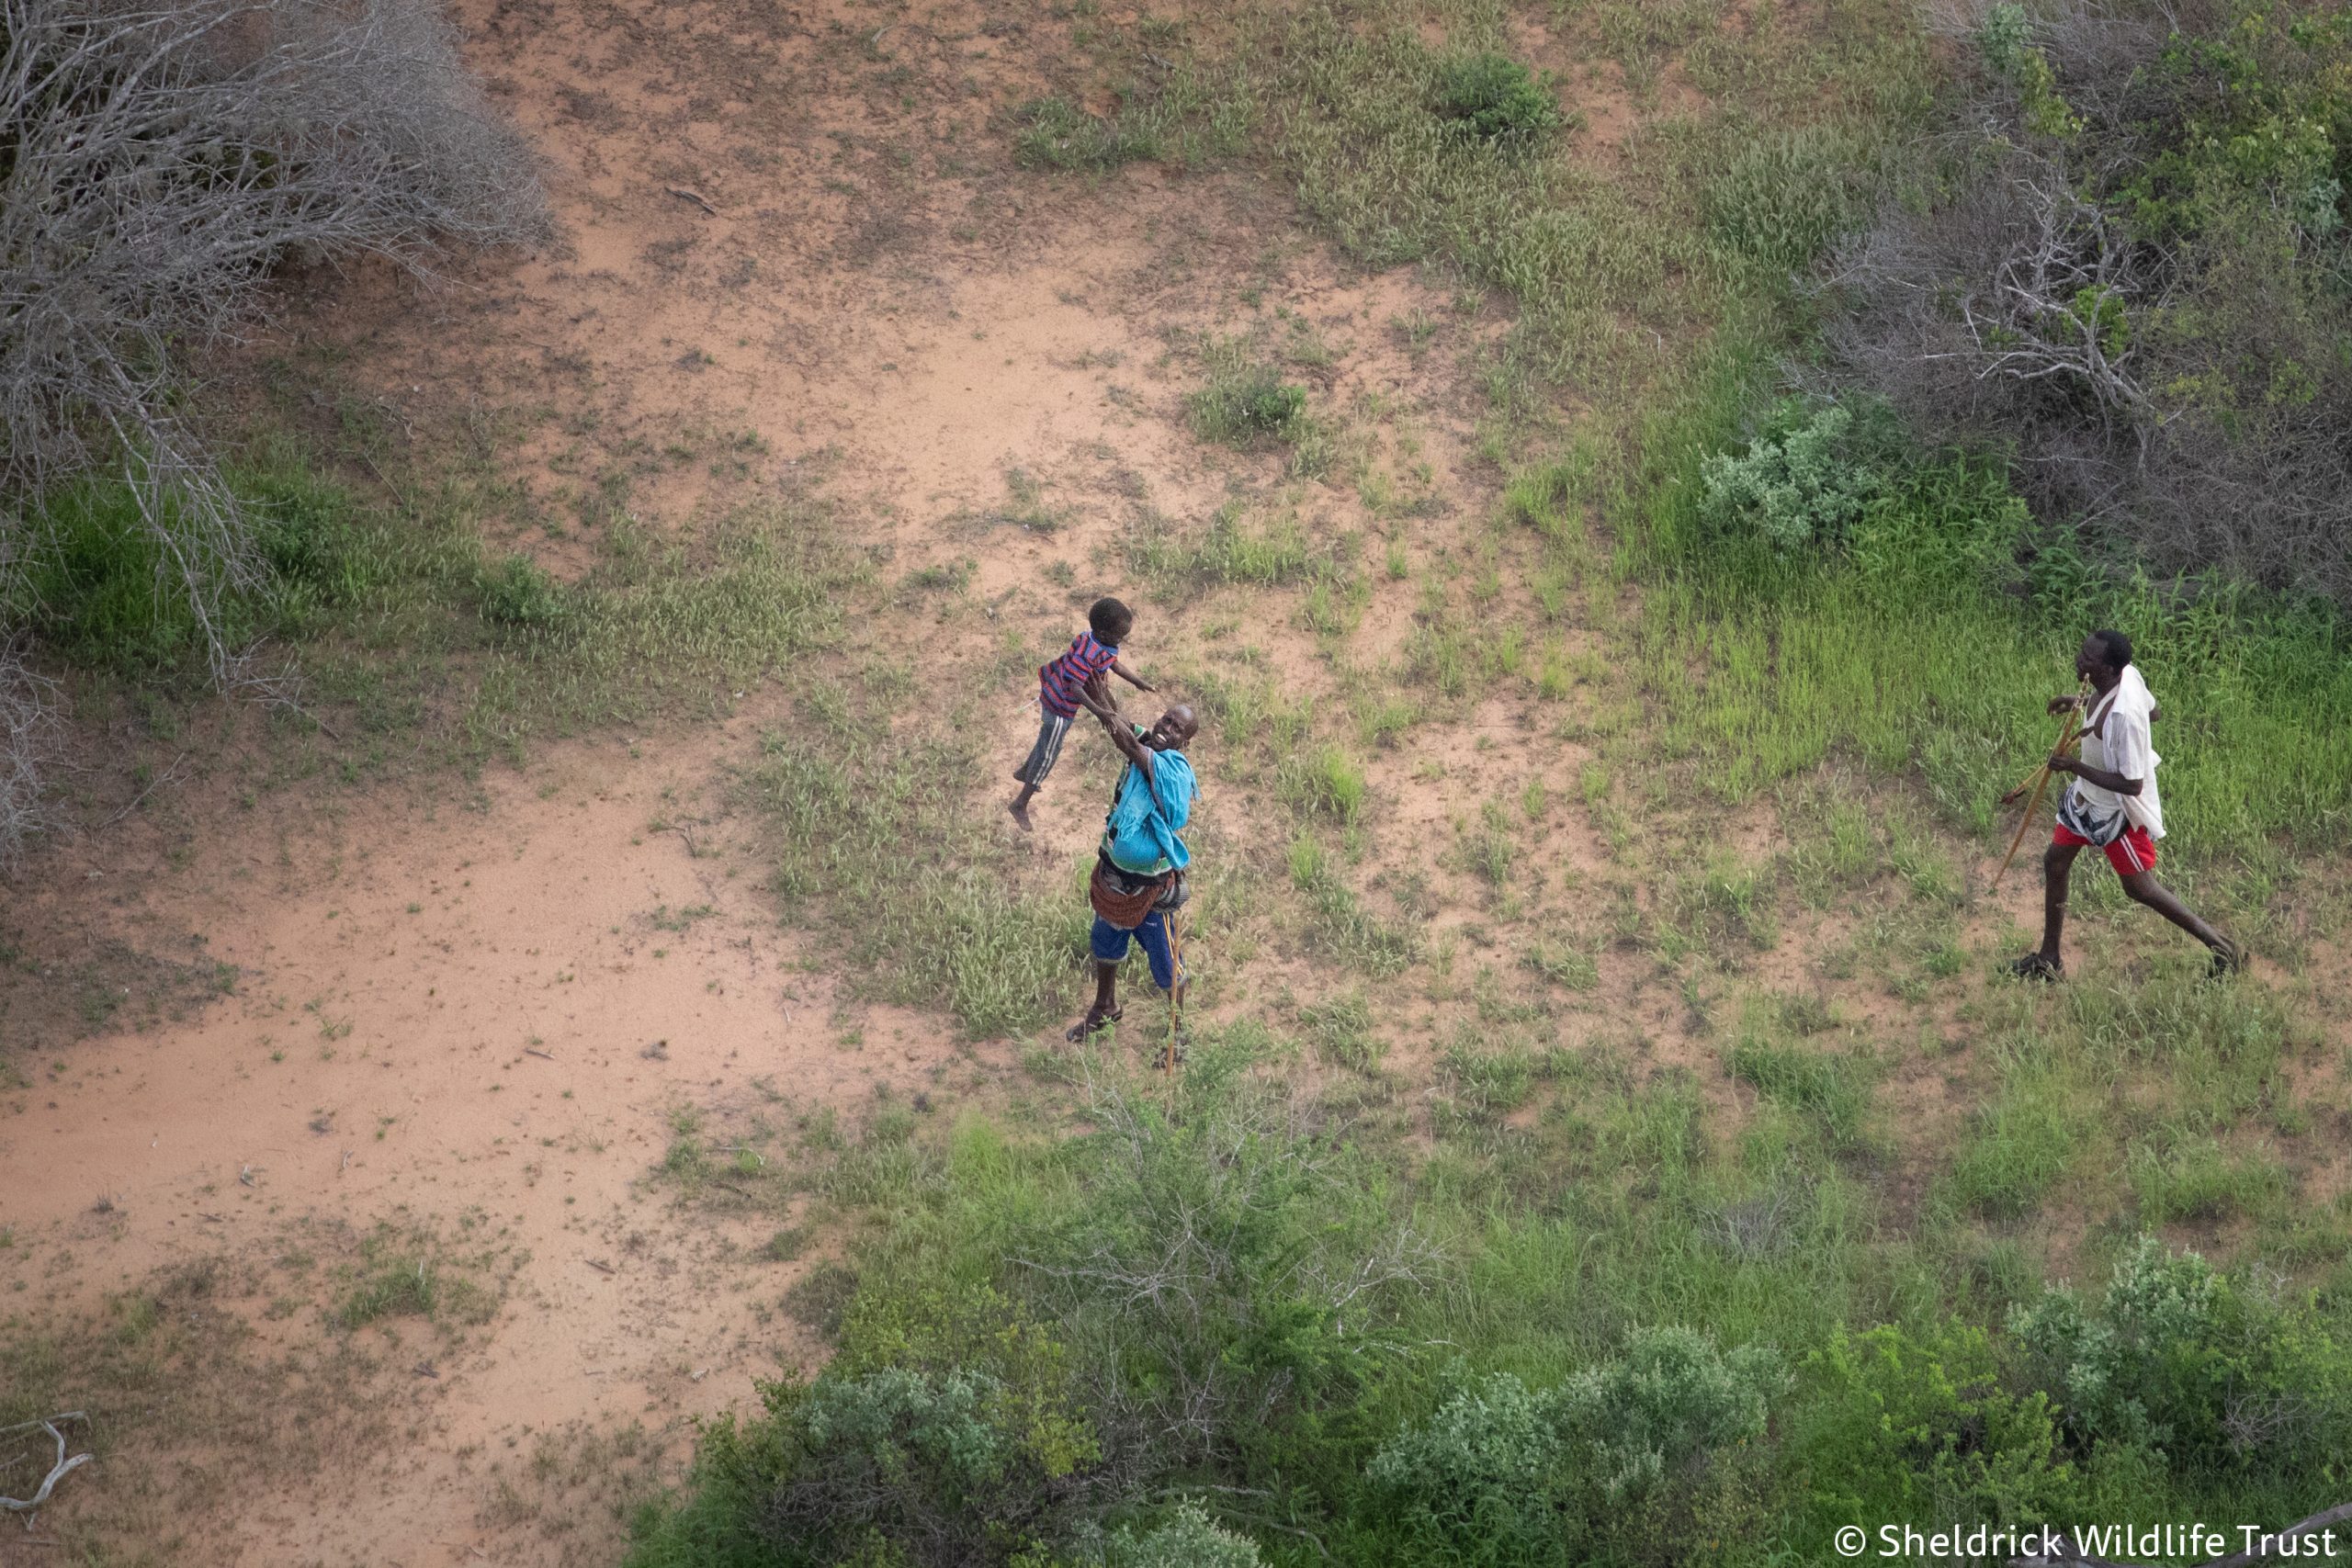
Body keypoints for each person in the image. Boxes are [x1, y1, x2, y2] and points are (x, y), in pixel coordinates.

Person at [2007, 629, 2241, 981]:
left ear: (2110, 668)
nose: (2079, 660)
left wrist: (2073, 766)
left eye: (2088, 659)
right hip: (2085, 802)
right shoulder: (2126, 678)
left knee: (2140, 888)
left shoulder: (2124, 716)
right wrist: (2080, 701)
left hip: (2114, 814)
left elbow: (2132, 785)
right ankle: (2049, 959)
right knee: (2055, 862)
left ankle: (2225, 948)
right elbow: (2156, 712)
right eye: (2082, 653)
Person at [1064, 695, 1198, 1044]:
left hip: (1148, 892)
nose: (1166, 729)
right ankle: (1104, 1008)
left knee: (1167, 966)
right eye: (1166, 720)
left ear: (1186, 742)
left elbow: (1122, 737)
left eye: (1176, 728)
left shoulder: (1170, 769)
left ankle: (1177, 1035)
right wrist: (1096, 684)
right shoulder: (1145, 742)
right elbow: (1119, 721)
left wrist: (1083, 697)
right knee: (1105, 944)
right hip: (1113, 880)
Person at [1009, 596, 1154, 832]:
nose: (1122, 640)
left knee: (1045, 742)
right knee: (1049, 754)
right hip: (1060, 706)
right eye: (1120, 635)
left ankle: (1025, 771)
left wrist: (1137, 681)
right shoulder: (1089, 651)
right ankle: (1020, 803)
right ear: (1105, 633)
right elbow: (1075, 686)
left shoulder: (1100, 642)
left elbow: (1113, 664)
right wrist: (1100, 712)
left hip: (1058, 701)